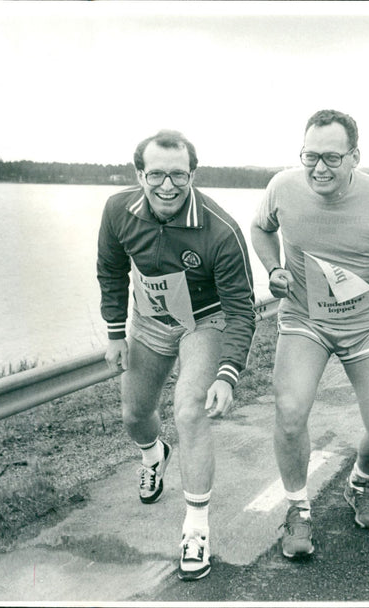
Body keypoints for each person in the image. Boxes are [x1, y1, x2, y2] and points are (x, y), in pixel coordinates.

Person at [251, 109, 369, 559]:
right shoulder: (283, 187)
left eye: (331, 157)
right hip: (304, 319)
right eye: (311, 156)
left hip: (365, 322)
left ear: (355, 157)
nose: (319, 168)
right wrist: (273, 268)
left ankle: (360, 482)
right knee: (290, 411)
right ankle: (297, 510)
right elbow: (260, 228)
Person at [97, 129, 256, 580]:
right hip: (149, 320)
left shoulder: (220, 229)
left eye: (179, 176)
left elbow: (242, 309)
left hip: (203, 322)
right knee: (134, 415)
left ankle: (196, 529)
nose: (168, 186)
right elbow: (110, 269)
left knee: (190, 412)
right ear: (139, 174)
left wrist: (227, 374)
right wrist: (114, 332)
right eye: (158, 175)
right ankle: (153, 455)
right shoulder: (117, 210)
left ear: (193, 174)